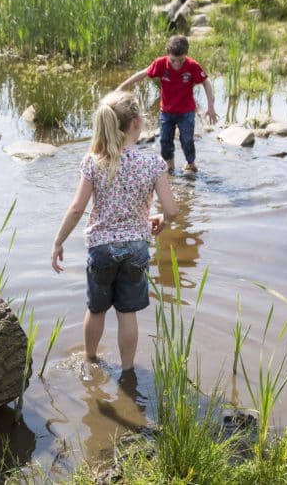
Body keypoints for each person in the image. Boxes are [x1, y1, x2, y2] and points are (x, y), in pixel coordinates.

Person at [51, 90, 177, 371]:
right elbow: (172, 209)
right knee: (127, 312)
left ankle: (90, 359)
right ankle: (128, 370)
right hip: (136, 247)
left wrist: (58, 242)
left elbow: (76, 209)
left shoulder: (94, 162)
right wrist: (160, 221)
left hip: (101, 247)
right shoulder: (153, 163)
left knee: (96, 309)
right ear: (136, 122)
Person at [117, 35, 218, 173]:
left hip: (186, 112)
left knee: (187, 141)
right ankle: (169, 168)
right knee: (165, 141)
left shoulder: (192, 66)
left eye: (181, 60)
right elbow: (143, 73)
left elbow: (206, 82)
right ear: (167, 53)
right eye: (173, 60)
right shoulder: (160, 63)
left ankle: (190, 164)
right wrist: (122, 86)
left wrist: (210, 106)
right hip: (167, 112)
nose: (176, 64)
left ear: (186, 55)